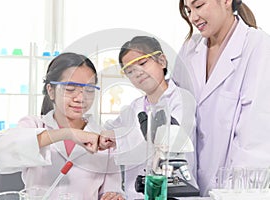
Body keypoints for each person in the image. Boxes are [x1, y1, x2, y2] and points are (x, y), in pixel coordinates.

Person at [0, 52, 124, 200]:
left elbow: (112, 189)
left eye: (89, 89)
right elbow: (2, 151)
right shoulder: (34, 124)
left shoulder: (103, 138)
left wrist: (114, 196)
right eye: (70, 89)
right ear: (51, 90)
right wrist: (67, 133)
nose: (80, 98)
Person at [174, 0, 270, 196]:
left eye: (199, 6)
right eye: (188, 10)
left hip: (235, 189)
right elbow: (175, 113)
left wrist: (233, 194)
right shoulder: (189, 49)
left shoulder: (257, 45)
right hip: (189, 186)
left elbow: (255, 138)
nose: (193, 17)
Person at [99, 36, 198, 199]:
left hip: (177, 190)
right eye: (130, 71)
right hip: (137, 194)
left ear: (162, 61)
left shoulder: (181, 99)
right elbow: (107, 130)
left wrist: (118, 137)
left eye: (143, 63)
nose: (138, 72)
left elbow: (168, 138)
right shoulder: (133, 107)